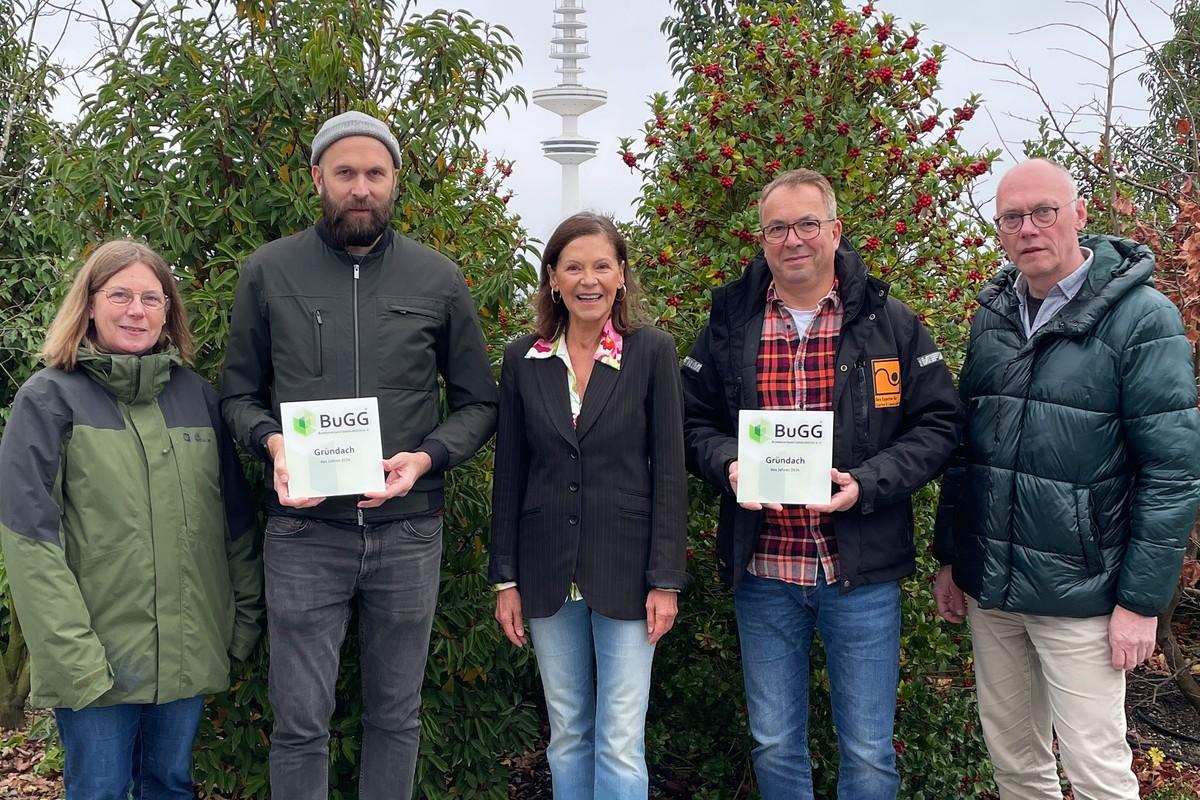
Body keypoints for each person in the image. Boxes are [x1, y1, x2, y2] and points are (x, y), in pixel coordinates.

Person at [219, 110, 498, 800]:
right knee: (299, 725)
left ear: (395, 180)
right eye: (345, 173)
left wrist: (426, 459)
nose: (361, 188)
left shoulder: (437, 278)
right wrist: (273, 443)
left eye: (375, 173)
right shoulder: (268, 272)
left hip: (409, 531)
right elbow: (237, 397)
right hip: (304, 533)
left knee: (397, 718)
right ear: (318, 178)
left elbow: (479, 405)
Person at [681, 169, 961, 799]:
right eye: (777, 228)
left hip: (859, 571)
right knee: (775, 743)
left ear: (835, 231)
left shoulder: (890, 322)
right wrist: (729, 464)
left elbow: (940, 424)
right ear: (761, 239)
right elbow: (690, 420)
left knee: (867, 751)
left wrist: (868, 482)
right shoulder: (730, 323)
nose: (793, 239)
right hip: (765, 570)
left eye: (807, 224)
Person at [932, 158, 1200, 799]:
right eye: (1012, 217)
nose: (1028, 228)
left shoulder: (1142, 319)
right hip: (992, 589)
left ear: (1078, 214)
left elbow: (1172, 472)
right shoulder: (994, 316)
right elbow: (967, 451)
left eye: (1043, 211)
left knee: (1097, 772)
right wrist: (951, 556)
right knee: (1016, 766)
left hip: (1084, 593)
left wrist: (1140, 602)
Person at [0, 240, 262, 800]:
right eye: (119, 295)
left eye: (152, 297)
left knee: (169, 785)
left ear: (169, 311)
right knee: (99, 790)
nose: (136, 311)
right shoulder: (48, 399)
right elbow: (30, 541)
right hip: (95, 660)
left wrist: (239, 624)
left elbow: (234, 521)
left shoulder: (198, 398)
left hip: (187, 651)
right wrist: (73, 655)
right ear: (90, 304)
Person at [488, 212, 688, 799]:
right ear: (553, 278)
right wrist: (505, 579)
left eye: (602, 265)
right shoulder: (523, 359)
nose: (588, 279)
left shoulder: (652, 352)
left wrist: (666, 579)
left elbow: (669, 471)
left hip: (628, 570)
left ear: (621, 274)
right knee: (568, 732)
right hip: (546, 569)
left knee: (621, 738)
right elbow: (509, 475)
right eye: (573, 267)